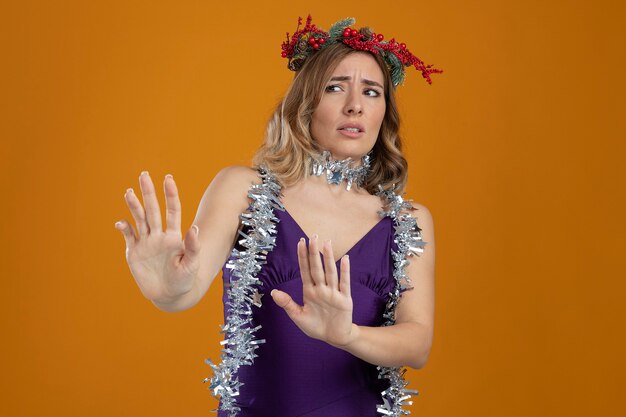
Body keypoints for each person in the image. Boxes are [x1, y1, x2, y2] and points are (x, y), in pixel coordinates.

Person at [115, 16, 440, 417]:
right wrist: (167, 287)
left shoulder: (409, 220)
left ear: (383, 114)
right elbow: (183, 291)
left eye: (371, 92)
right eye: (335, 87)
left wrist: (347, 334)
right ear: (305, 103)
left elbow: (417, 344)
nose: (355, 104)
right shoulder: (242, 188)